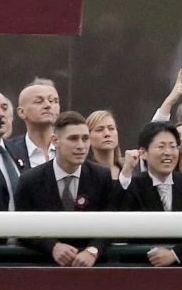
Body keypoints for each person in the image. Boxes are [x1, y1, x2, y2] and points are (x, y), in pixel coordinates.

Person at [12, 111, 115, 265]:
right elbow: (22, 227)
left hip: (91, 269)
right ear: (55, 141)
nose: (81, 146)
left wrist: (92, 251)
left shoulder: (102, 176)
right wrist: (52, 246)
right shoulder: (30, 180)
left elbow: (111, 223)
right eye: (73, 139)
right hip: (44, 267)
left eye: (85, 139)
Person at [116, 121, 182, 266]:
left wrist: (175, 254)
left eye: (173, 146)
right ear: (143, 153)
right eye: (161, 147)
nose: (168, 153)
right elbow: (117, 215)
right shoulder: (133, 185)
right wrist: (126, 171)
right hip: (142, 268)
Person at [16, 79, 62, 168]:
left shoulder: (70, 146)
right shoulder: (10, 151)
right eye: (39, 101)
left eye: (52, 101)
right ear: (22, 112)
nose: (48, 105)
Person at [87, 110, 123, 178]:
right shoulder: (83, 172)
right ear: (88, 136)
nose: (107, 134)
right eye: (99, 130)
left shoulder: (130, 170)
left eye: (111, 128)